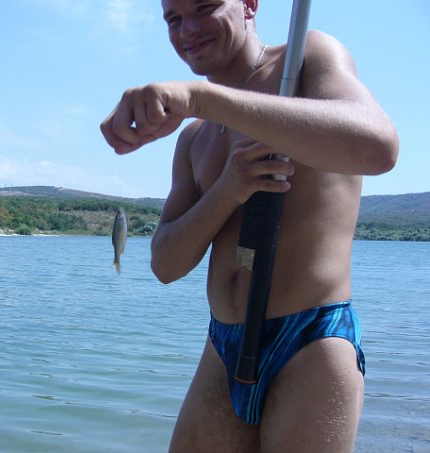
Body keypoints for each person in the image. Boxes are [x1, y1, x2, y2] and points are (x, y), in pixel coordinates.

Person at [100, 0, 399, 451]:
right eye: (173, 18)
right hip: (222, 346)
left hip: (308, 340)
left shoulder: (306, 59)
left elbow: (379, 147)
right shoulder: (195, 136)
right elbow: (165, 264)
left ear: (249, 4)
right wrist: (227, 190)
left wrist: (202, 99)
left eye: (205, 6)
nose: (188, 29)